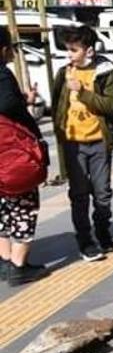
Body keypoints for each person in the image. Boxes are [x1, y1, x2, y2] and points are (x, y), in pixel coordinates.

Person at [52, 25, 113, 262]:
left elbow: (112, 105)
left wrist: (82, 92)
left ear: (88, 50)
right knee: (79, 194)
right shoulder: (63, 74)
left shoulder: (104, 72)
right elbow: (57, 108)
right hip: (73, 144)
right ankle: (85, 241)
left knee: (102, 193)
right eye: (67, 49)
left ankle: (102, 230)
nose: (69, 54)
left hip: (99, 142)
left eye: (74, 49)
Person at [0, 30, 50, 286]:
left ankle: (7, 261)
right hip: (11, 155)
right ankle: (19, 266)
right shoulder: (3, 74)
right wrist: (22, 107)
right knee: (23, 207)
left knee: (4, 208)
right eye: (9, 46)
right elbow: (6, 104)